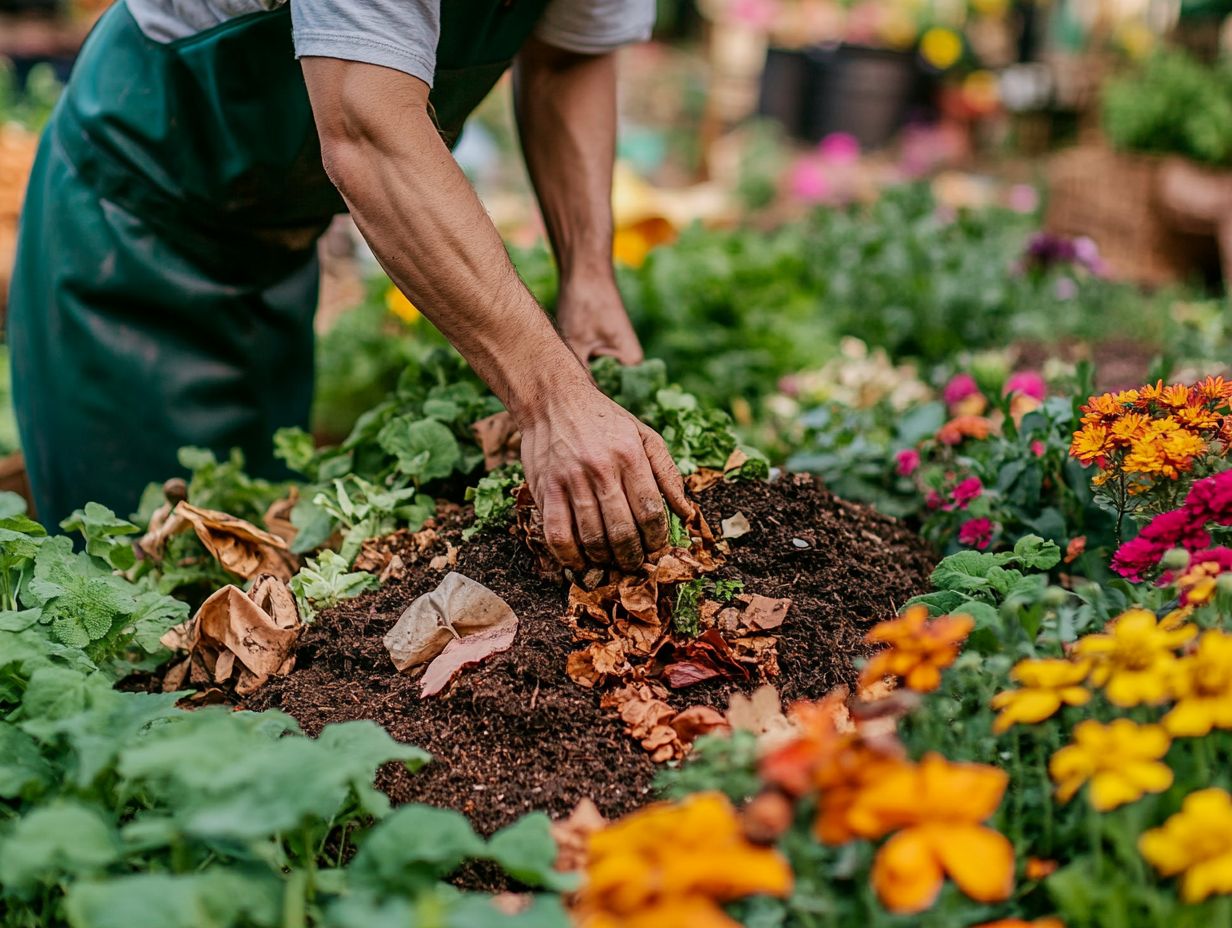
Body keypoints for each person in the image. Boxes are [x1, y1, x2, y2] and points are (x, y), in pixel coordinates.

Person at [8, 0, 691, 572]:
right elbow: (368, 129)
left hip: (273, 243)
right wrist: (552, 401)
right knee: (132, 582)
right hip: (129, 227)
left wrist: (590, 281)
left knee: (250, 562)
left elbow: (568, 56)